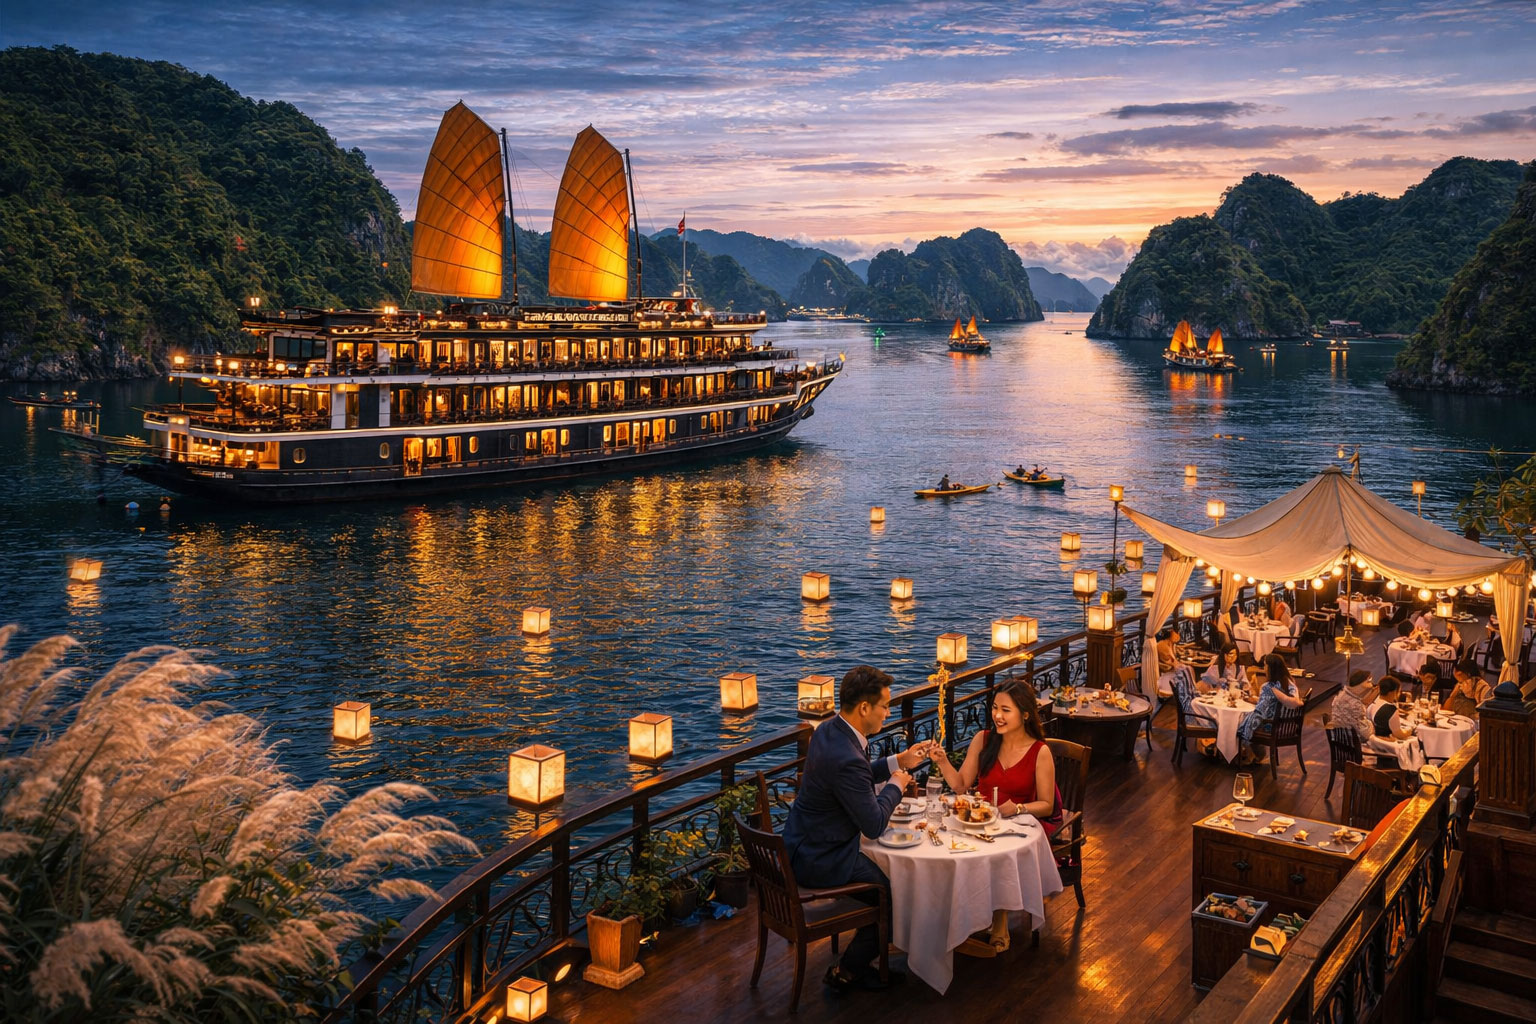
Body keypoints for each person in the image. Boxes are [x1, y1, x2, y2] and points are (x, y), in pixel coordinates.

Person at [782, 665, 931, 992]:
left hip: (801, 843)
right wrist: (896, 785)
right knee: (890, 895)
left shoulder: (830, 730)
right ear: (864, 708)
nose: (889, 712)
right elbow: (875, 824)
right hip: (822, 857)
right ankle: (848, 971)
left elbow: (858, 776)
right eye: (885, 706)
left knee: (884, 881)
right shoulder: (846, 755)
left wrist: (899, 761)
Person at [925, 680, 1059, 955]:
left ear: (1024, 714)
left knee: (996, 850)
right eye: (995, 708)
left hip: (1020, 824)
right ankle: (957, 916)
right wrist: (941, 761)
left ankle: (999, 919)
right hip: (980, 818)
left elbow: (1046, 805)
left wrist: (1019, 808)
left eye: (1006, 710)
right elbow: (961, 785)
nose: (997, 715)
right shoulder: (984, 740)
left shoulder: (1040, 752)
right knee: (946, 844)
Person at [1238, 654, 1304, 764]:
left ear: (1270, 668)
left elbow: (1260, 712)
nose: (1264, 668)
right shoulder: (1289, 682)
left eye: (1264, 665)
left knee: (1240, 723)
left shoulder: (1267, 687)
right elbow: (1276, 701)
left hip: (1271, 727)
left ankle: (1247, 756)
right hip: (1287, 726)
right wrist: (1256, 699)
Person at [1331, 670, 1378, 745]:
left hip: (1338, 738)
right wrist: (1371, 724)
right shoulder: (1355, 704)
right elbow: (1366, 734)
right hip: (1352, 743)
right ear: (1361, 683)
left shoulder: (1341, 695)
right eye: (1368, 680)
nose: (1371, 682)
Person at [1154, 627, 1193, 702]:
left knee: (1189, 668)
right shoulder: (1161, 645)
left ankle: (1187, 691)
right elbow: (1167, 660)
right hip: (1167, 667)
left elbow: (1174, 656)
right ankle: (1183, 691)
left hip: (1172, 664)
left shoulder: (1170, 644)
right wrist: (1176, 664)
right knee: (1186, 669)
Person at [1372, 675, 1416, 741]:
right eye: (1399, 691)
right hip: (1388, 744)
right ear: (1394, 692)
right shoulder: (1390, 709)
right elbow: (1399, 734)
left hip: (1375, 740)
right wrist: (1410, 731)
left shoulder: (1373, 702)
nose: (1399, 695)